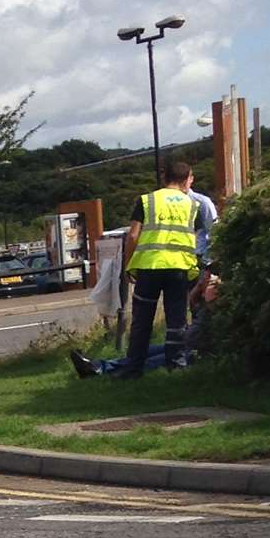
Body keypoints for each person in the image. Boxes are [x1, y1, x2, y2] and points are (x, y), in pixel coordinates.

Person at [83, 160, 210, 380]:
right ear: (188, 178)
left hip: (149, 267)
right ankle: (176, 367)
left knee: (142, 321)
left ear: (164, 177)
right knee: (176, 322)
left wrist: (129, 264)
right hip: (179, 268)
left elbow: (133, 235)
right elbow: (198, 237)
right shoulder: (193, 206)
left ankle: (133, 370)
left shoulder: (147, 200)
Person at [71, 273, 220, 378]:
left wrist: (207, 295)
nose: (207, 280)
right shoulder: (206, 303)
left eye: (211, 281)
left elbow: (196, 335)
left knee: (156, 360)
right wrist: (198, 290)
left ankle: (102, 370)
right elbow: (194, 311)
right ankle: (100, 366)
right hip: (190, 342)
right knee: (145, 351)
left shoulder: (219, 303)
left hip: (198, 350)